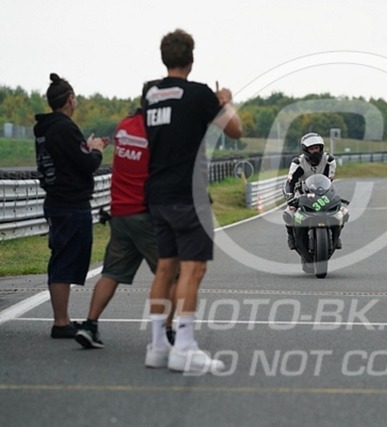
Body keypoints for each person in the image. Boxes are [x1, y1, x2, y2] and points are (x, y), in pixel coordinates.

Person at [143, 29, 242, 373]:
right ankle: (184, 346)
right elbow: (235, 130)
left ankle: (158, 344)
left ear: (164, 57)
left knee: (165, 268)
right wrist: (225, 101)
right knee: (192, 269)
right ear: (191, 58)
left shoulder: (150, 94)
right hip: (188, 194)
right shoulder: (199, 94)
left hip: (157, 192)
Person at [75, 80, 177, 349]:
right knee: (171, 274)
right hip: (146, 214)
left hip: (119, 212)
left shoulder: (124, 126)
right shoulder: (157, 132)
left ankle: (90, 324)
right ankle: (167, 332)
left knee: (111, 273)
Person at [34, 73, 108, 338]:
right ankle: (61, 322)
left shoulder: (45, 129)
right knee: (65, 262)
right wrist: (95, 150)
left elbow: (67, 158)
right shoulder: (64, 128)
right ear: (69, 99)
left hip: (56, 199)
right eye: (74, 98)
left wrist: (85, 147)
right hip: (70, 203)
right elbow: (87, 163)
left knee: (62, 258)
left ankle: (62, 319)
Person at [283, 132, 338, 250]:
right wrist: (289, 196)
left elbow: (329, 180)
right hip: (302, 192)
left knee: (340, 212)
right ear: (306, 150)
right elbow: (290, 182)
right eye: (312, 149)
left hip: (323, 192)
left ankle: (335, 237)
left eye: (317, 148)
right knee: (289, 213)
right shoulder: (298, 163)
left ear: (321, 148)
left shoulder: (329, 160)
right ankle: (291, 236)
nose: (315, 151)